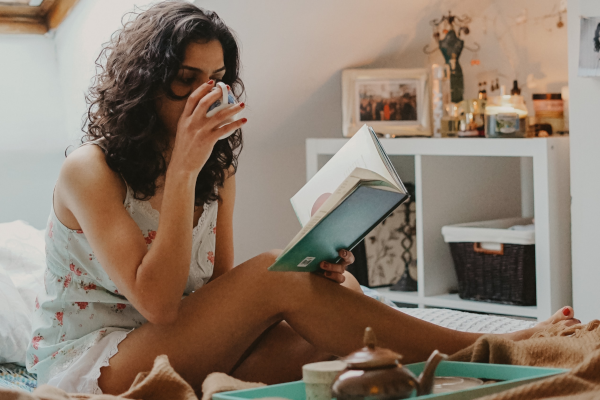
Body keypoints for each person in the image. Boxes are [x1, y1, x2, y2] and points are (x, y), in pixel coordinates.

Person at [26, 1, 579, 396]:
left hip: (173, 342)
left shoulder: (218, 164)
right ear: (145, 83)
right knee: (276, 273)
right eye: (186, 78)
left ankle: (463, 357)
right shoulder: (91, 170)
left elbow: (215, 295)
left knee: (332, 328)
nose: (206, 94)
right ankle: (489, 349)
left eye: (216, 78)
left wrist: (314, 270)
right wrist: (182, 172)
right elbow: (160, 305)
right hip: (101, 359)